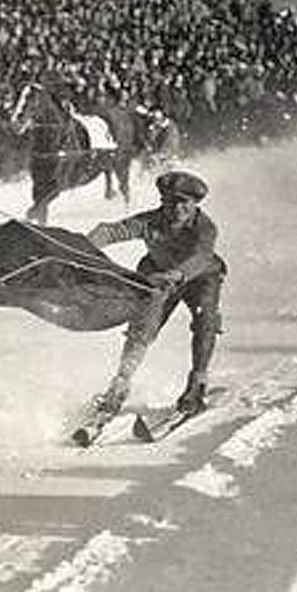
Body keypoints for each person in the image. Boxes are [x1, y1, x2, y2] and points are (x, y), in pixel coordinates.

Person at [79, 169, 226, 437]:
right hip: (159, 278)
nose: (177, 209)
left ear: (195, 205)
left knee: (205, 321)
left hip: (200, 278)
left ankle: (197, 385)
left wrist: (178, 274)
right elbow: (113, 231)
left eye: (184, 203)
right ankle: (120, 384)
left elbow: (201, 256)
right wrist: (84, 246)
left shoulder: (205, 228)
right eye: (171, 202)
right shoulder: (152, 221)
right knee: (142, 327)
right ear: (163, 203)